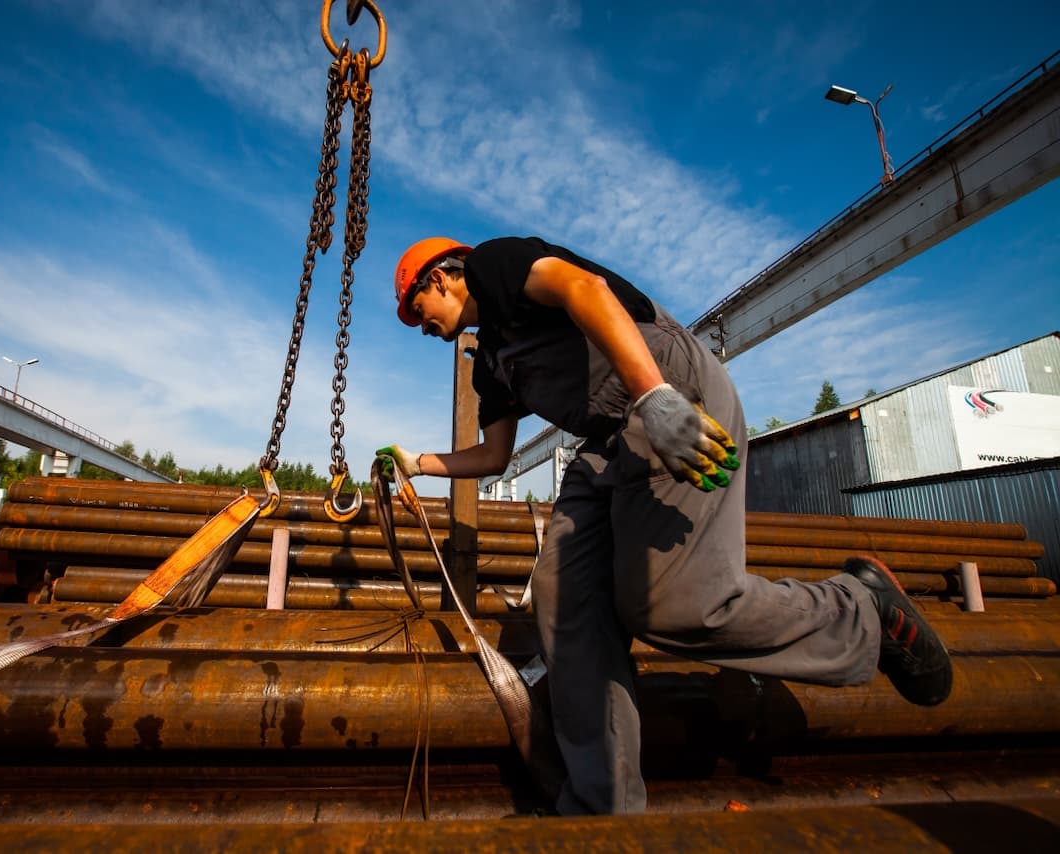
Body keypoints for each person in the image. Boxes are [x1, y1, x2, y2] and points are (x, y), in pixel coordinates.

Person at [375, 235, 953, 815]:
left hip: (671, 400)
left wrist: (655, 397)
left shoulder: (493, 264)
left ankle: (861, 611)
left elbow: (583, 288)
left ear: (440, 277)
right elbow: (494, 457)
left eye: (417, 311)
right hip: (607, 441)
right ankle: (603, 809)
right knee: (563, 600)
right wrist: (415, 463)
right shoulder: (491, 363)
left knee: (672, 606)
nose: (421, 328)